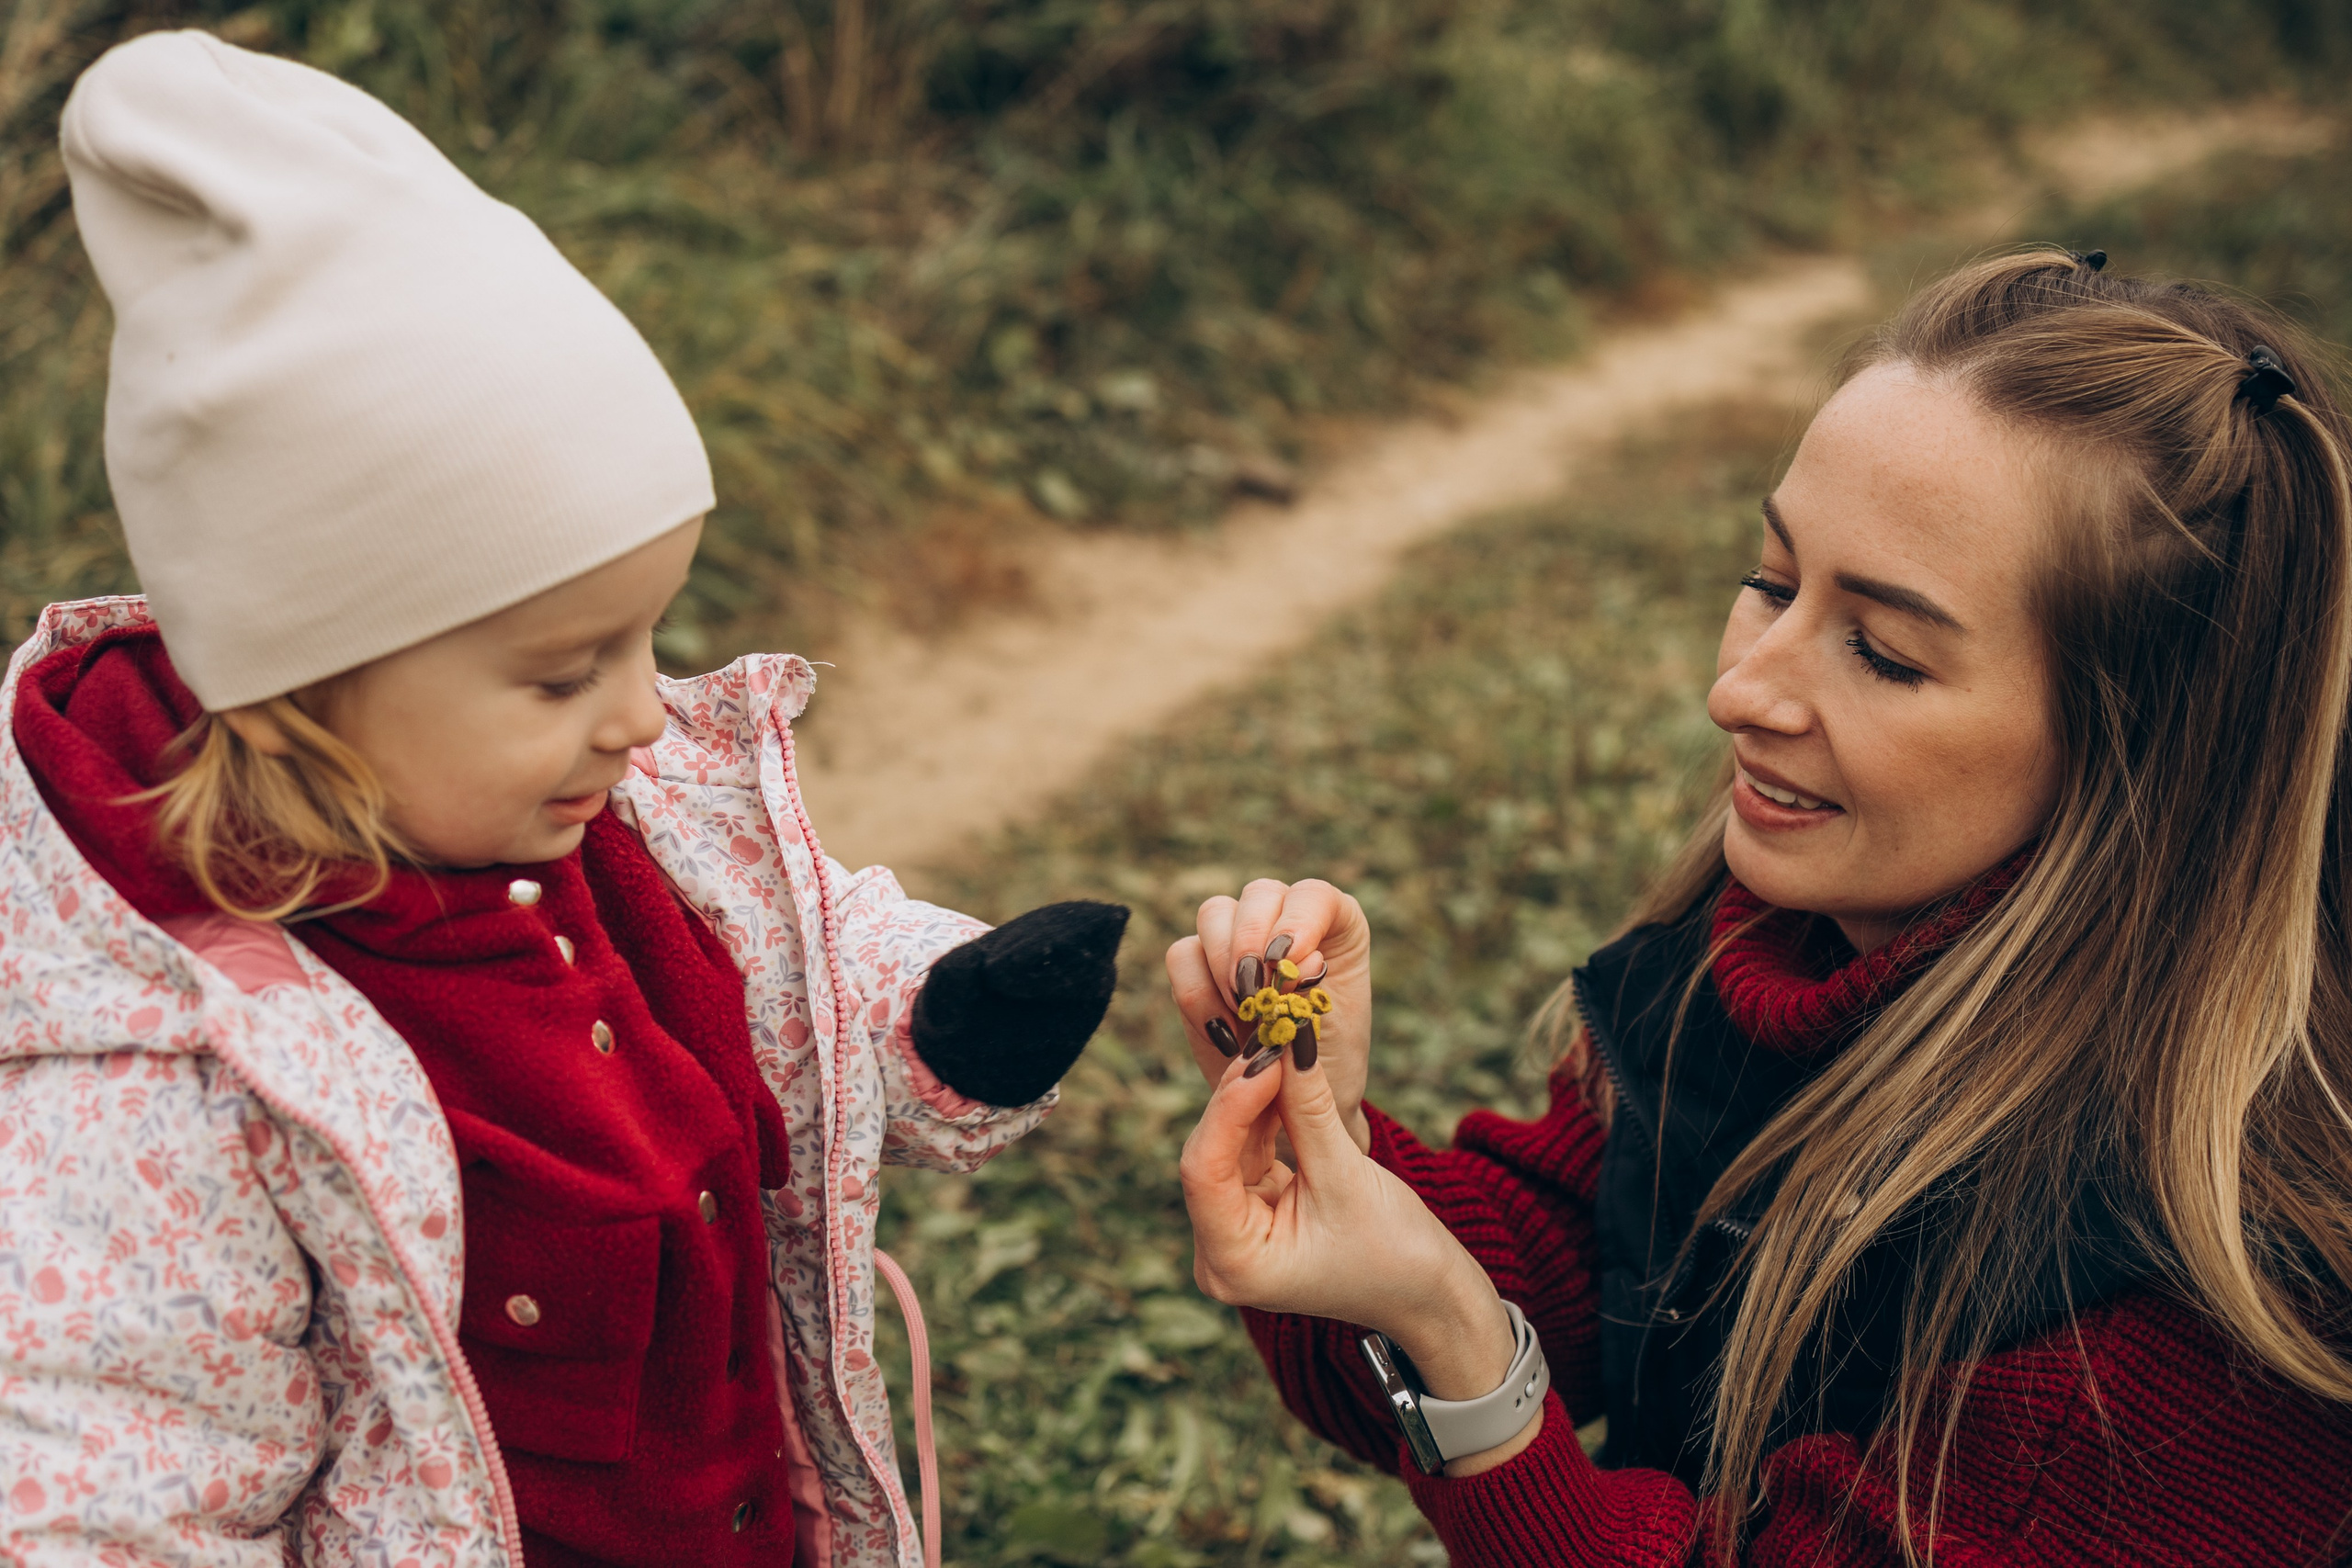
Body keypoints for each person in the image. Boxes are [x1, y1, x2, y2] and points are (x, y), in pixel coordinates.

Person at [0, 32, 1125, 1568]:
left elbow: (768, 970)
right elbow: (127, 1474)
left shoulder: (577, 814)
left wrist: (946, 1013)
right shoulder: (173, 1079)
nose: (642, 710)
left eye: (649, 634)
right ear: (300, 684)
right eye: (560, 672)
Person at [1168, 249, 2352, 1564]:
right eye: (1775, 582)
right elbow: (1549, 1269)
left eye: (1884, 653)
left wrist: (1461, 1347)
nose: (1740, 691)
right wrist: (1326, 1149)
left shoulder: (2198, 1296)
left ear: (2143, 752)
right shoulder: (1768, 956)